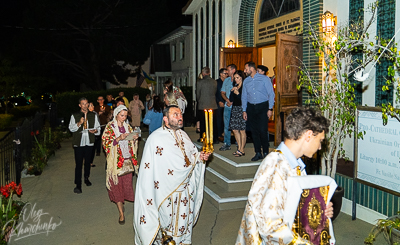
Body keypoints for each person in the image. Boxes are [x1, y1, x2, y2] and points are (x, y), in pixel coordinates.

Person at [236, 107, 334, 244]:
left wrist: (320, 213)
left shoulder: (295, 165)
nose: (319, 147)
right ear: (308, 135)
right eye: (320, 140)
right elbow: (269, 226)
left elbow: (296, 210)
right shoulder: (275, 165)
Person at [134, 105, 210, 244]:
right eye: (175, 114)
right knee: (168, 228)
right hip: (167, 193)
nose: (180, 117)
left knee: (183, 225)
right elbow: (153, 170)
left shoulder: (183, 135)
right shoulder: (155, 139)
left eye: (180, 114)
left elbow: (191, 156)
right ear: (166, 119)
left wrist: (200, 157)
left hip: (185, 192)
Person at [102, 105, 139, 225]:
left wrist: (134, 138)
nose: (124, 118)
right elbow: (105, 142)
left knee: (126, 186)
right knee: (116, 187)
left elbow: (131, 143)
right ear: (116, 114)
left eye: (125, 115)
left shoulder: (127, 126)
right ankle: (121, 213)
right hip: (116, 163)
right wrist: (118, 138)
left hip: (127, 161)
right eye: (121, 115)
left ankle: (123, 205)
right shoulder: (110, 127)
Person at [242, 61, 275, 161]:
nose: (244, 71)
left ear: (252, 69)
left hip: (263, 107)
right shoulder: (246, 81)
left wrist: (270, 108)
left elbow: (271, 94)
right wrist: (244, 110)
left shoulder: (264, 79)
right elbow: (244, 96)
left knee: (262, 130)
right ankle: (257, 152)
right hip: (251, 107)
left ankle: (265, 151)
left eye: (246, 69)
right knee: (254, 131)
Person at [68, 97, 100, 194]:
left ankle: (86, 178)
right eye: (83, 104)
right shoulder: (75, 115)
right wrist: (79, 123)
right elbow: (71, 128)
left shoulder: (93, 115)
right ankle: (78, 184)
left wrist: (95, 131)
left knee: (87, 162)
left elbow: (98, 128)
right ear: (80, 105)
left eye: (86, 104)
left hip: (89, 142)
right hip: (79, 143)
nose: (85, 106)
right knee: (78, 164)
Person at [196, 67, 218, 143]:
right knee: (213, 122)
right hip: (212, 104)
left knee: (203, 123)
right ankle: (214, 138)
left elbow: (198, 93)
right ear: (209, 73)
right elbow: (215, 92)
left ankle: (203, 137)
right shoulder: (214, 82)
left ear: (203, 73)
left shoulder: (200, 82)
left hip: (203, 104)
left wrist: (199, 100)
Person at [229, 70, 247, 157]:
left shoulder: (244, 87)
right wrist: (232, 92)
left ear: (242, 78)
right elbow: (231, 100)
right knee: (235, 129)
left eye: (238, 78)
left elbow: (244, 99)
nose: (236, 80)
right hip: (235, 109)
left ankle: (242, 149)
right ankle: (239, 148)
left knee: (242, 130)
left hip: (242, 109)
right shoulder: (235, 86)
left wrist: (238, 93)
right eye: (235, 78)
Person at [220, 64, 237, 151]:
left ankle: (239, 143)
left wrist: (233, 101)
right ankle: (227, 143)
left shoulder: (238, 79)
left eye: (228, 70)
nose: (227, 72)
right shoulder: (226, 80)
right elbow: (222, 92)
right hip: (227, 106)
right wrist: (227, 100)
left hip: (236, 107)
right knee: (226, 126)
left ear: (233, 70)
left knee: (236, 126)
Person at [216, 68, 228, 143]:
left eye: (227, 73)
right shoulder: (217, 82)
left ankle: (225, 134)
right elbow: (214, 93)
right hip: (219, 103)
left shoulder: (228, 81)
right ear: (221, 74)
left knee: (226, 120)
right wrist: (219, 101)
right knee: (219, 120)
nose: (226, 75)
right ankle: (219, 134)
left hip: (227, 103)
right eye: (225, 73)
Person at [88, 102, 98, 167]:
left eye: (93, 105)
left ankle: (91, 161)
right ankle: (87, 161)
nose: (93, 106)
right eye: (91, 105)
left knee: (93, 149)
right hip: (88, 134)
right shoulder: (85, 114)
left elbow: (97, 123)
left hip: (94, 133)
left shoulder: (95, 113)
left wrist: (96, 130)